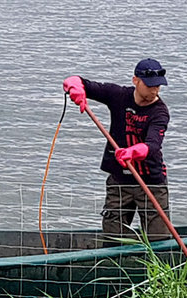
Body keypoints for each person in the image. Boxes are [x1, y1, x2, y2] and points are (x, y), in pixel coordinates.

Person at [62, 58, 171, 245]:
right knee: (112, 238)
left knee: (158, 240)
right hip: (119, 181)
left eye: (158, 86)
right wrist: (76, 89)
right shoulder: (118, 95)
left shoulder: (160, 112)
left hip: (151, 181)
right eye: (149, 85)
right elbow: (79, 81)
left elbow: (153, 145)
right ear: (135, 80)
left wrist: (132, 152)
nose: (155, 90)